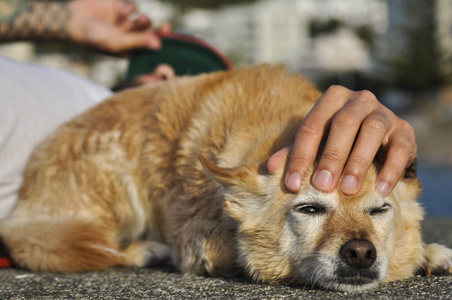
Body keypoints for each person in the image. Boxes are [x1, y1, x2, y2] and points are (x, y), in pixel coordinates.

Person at [0, 0, 417, 223]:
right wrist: (58, 19)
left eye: (196, 81)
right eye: (178, 77)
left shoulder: (78, 112)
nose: (167, 72)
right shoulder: (85, 109)